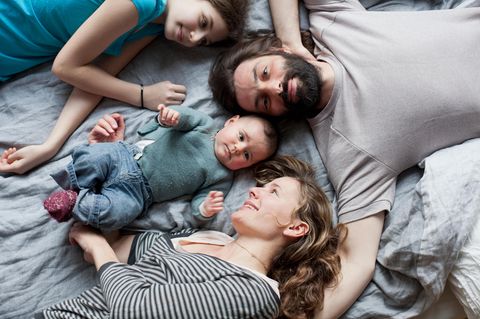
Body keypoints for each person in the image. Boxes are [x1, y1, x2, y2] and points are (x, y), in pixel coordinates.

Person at [208, 0, 480, 317]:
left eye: (266, 72)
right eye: (264, 101)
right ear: (273, 119)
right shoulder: (349, 154)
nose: (275, 87)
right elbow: (355, 262)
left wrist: (291, 39)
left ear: (277, 51)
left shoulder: (334, 23)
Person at [35, 155, 346, 319]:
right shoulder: (205, 235)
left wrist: (97, 245)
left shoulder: (257, 293)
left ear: (295, 228)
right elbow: (118, 255)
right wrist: (113, 169)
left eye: (273, 191)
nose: (254, 189)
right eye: (262, 185)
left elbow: (131, 307)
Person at [0, 0, 248, 175]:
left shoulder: (152, 25)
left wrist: (50, 146)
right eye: (203, 22)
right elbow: (65, 68)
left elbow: (97, 78)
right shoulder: (140, 4)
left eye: (203, 40)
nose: (194, 38)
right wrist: (141, 95)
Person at [42, 104, 278, 230]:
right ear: (231, 121)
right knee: (96, 156)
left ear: (248, 166)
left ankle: (74, 203)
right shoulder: (204, 126)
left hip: (139, 194)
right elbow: (182, 117)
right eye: (240, 137)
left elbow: (198, 205)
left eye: (247, 154)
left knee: (118, 215)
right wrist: (170, 117)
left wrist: (205, 209)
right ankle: (75, 182)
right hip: (127, 156)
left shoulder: (223, 177)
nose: (238, 148)